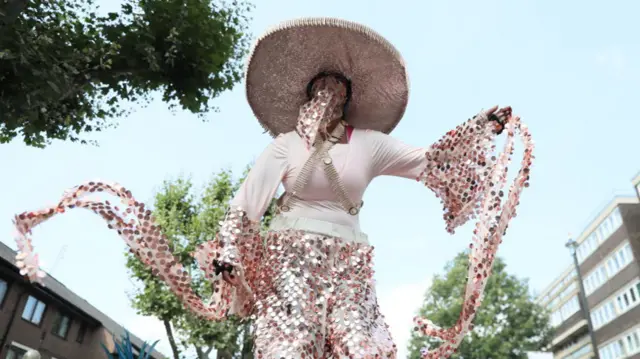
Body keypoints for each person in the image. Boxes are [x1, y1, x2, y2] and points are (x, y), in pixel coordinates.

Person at [12, 18, 534, 359]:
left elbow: (433, 161)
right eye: (319, 89)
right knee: (286, 350)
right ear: (307, 97)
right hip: (289, 264)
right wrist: (228, 254)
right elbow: (247, 204)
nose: (327, 97)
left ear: (348, 99)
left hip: (350, 266)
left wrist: (481, 127)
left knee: (366, 351)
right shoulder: (284, 147)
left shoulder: (371, 145)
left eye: (338, 90)